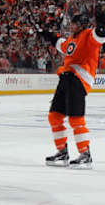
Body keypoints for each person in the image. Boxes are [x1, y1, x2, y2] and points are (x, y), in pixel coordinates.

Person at [40, 11, 105, 169]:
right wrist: (47, 35)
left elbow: (100, 37)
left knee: (75, 119)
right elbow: (60, 43)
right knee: (54, 116)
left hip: (79, 80)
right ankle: (62, 151)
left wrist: (102, 26)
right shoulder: (72, 39)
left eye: (75, 24)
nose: (72, 26)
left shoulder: (89, 35)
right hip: (65, 79)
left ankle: (85, 154)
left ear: (82, 25)